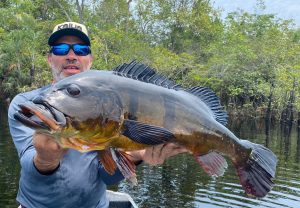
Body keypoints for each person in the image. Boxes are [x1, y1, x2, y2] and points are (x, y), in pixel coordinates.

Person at [8, 21, 187, 208]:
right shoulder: (27, 105)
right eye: (61, 49)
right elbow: (29, 163)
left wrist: (136, 155)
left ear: (90, 60)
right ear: (50, 58)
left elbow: (105, 175)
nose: (71, 56)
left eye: (81, 49)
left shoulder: (105, 106)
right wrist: (45, 159)